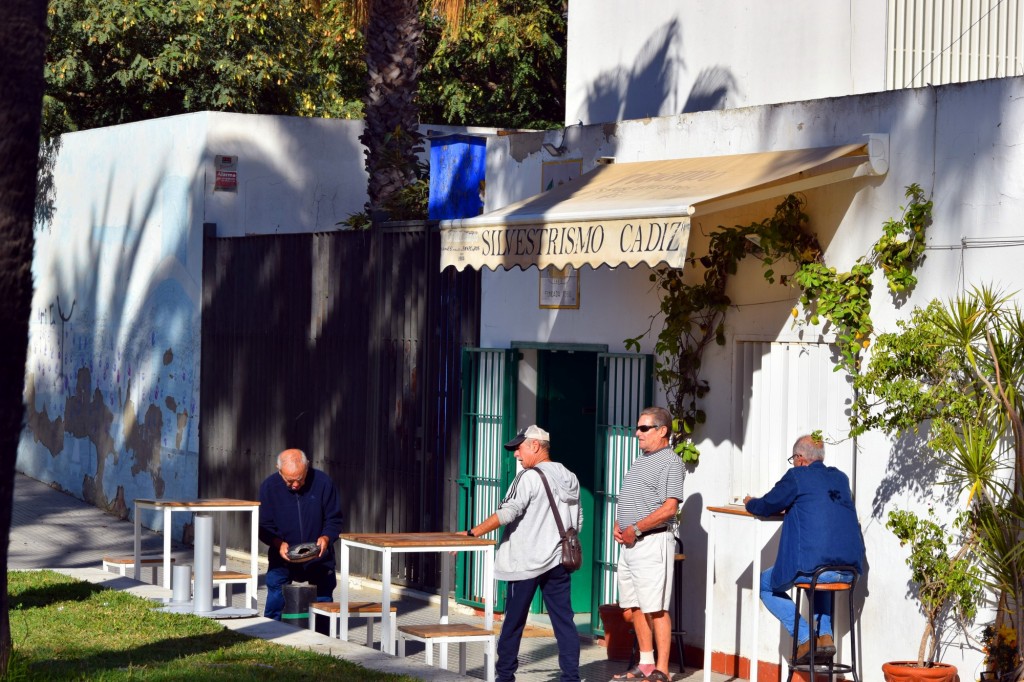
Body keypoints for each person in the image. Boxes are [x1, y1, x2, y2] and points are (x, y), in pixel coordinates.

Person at [464, 425, 582, 682]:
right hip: (558, 561)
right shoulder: (569, 476)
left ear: (535, 446)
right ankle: (571, 678)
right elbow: (578, 522)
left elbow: (508, 512)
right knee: (564, 622)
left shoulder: (528, 477)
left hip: (525, 563)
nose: (516, 455)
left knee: (513, 624)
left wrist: (473, 532)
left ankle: (505, 677)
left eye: (519, 448)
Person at [744, 434, 865, 664]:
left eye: (793, 459)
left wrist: (749, 501)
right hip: (849, 570)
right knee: (820, 573)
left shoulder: (797, 477)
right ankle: (825, 636)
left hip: (816, 568)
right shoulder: (840, 478)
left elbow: (768, 504)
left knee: (763, 584)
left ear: (799, 458)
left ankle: (805, 638)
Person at [612, 407, 686, 682]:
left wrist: (636, 528)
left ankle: (662, 670)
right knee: (633, 608)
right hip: (629, 544)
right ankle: (645, 663)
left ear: (662, 431)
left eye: (644, 428)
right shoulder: (641, 459)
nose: (637, 433)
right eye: (637, 427)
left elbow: (669, 508)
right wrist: (620, 524)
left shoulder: (671, 462)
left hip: (651, 542)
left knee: (656, 608)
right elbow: (635, 498)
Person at [258, 448, 344, 622]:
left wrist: (326, 537)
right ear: (279, 470)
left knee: (323, 599)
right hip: (283, 555)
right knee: (276, 593)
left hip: (319, 555)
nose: (295, 485)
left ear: (307, 468)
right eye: (289, 481)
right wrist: (277, 542)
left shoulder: (323, 482)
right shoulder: (269, 487)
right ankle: (269, 633)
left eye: (300, 479)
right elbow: (263, 525)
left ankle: (323, 639)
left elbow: (334, 519)